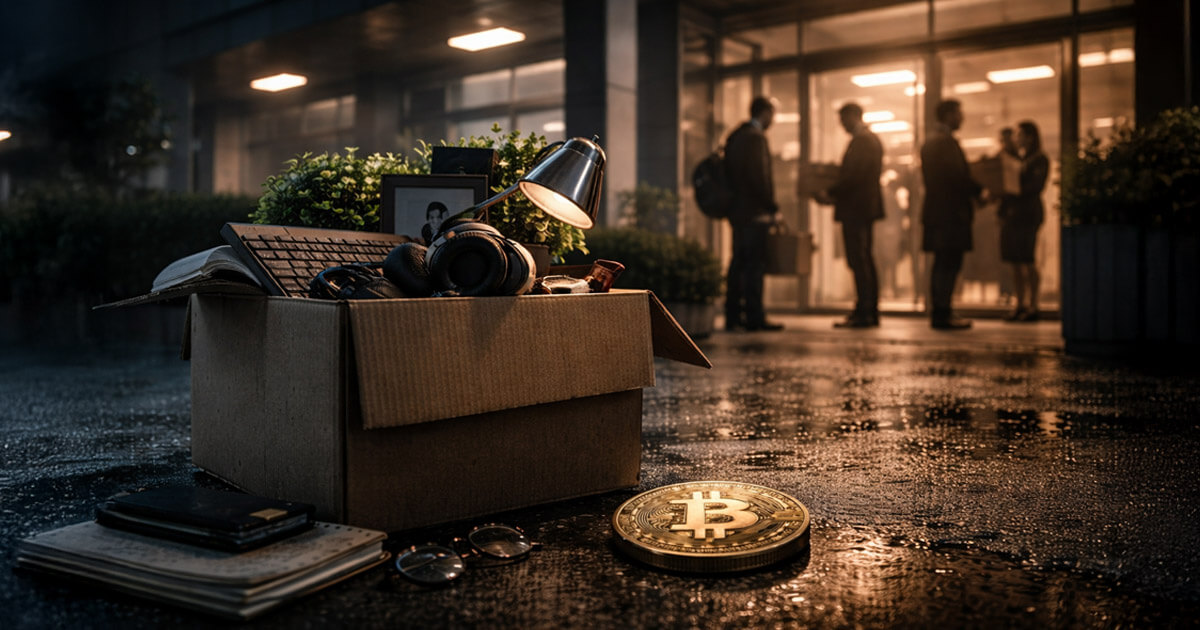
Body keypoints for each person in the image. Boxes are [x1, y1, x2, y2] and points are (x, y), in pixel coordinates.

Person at [815, 102, 885, 328]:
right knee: (864, 259)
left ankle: (865, 310)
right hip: (863, 209)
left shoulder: (862, 141)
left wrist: (830, 192)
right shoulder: (868, 140)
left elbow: (854, 176)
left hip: (857, 210)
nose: (842, 125)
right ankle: (867, 310)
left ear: (854, 116)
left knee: (859, 260)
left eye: (844, 119)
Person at [920, 99, 982, 330]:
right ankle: (942, 313)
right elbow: (957, 177)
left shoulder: (930, 143)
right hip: (951, 214)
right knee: (949, 264)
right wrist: (979, 190)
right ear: (948, 115)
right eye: (958, 113)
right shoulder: (946, 143)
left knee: (941, 263)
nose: (961, 117)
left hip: (937, 213)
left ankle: (941, 310)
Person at [723, 96, 783, 332]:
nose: (773, 120)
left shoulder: (735, 136)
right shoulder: (756, 138)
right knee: (754, 265)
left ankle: (733, 316)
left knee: (738, 261)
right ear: (765, 113)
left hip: (737, 211)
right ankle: (755, 317)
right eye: (772, 115)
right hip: (755, 213)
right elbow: (760, 177)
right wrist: (772, 206)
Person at [1000, 120, 1049, 322]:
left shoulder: (1039, 159)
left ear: (1030, 137)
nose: (1016, 138)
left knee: (1028, 260)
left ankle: (1033, 304)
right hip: (1013, 216)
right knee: (1015, 261)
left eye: (1019, 134)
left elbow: (1035, 186)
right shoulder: (1019, 159)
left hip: (1028, 215)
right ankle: (1020, 303)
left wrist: (1013, 189)